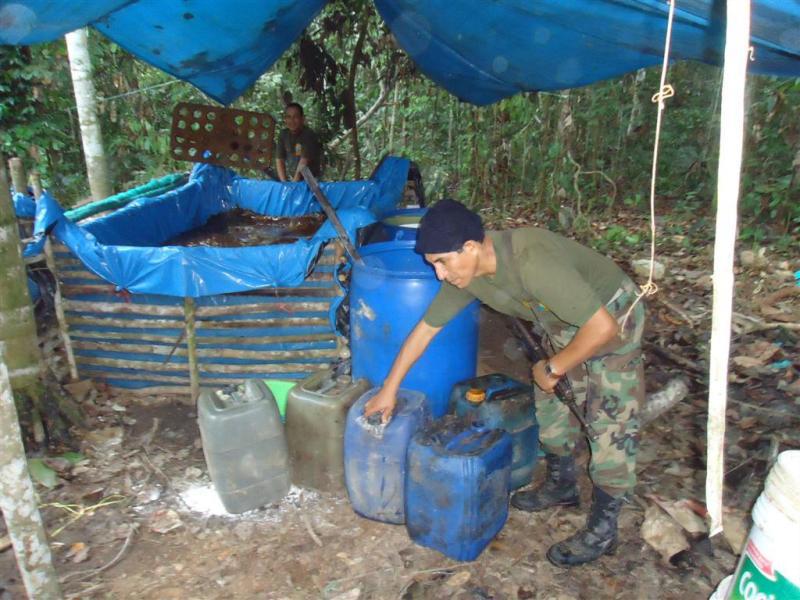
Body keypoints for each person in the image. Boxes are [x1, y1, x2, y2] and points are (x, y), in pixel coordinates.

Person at [363, 198, 646, 568]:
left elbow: (602, 327)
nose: (439, 275)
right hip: (560, 319)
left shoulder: (531, 260)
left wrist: (555, 367)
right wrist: (389, 389)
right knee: (550, 401)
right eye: (433, 265)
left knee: (609, 418)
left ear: (470, 247)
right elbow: (424, 332)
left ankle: (604, 528)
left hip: (612, 313)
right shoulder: (469, 276)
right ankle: (562, 484)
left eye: (441, 262)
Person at [275, 103, 323, 182]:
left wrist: (294, 184)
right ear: (285, 119)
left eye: (295, 117)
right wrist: (284, 183)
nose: (292, 120)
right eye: (289, 117)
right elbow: (279, 159)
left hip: (311, 179)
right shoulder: (283, 134)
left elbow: (303, 162)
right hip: (293, 178)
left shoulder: (308, 135)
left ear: (302, 118)